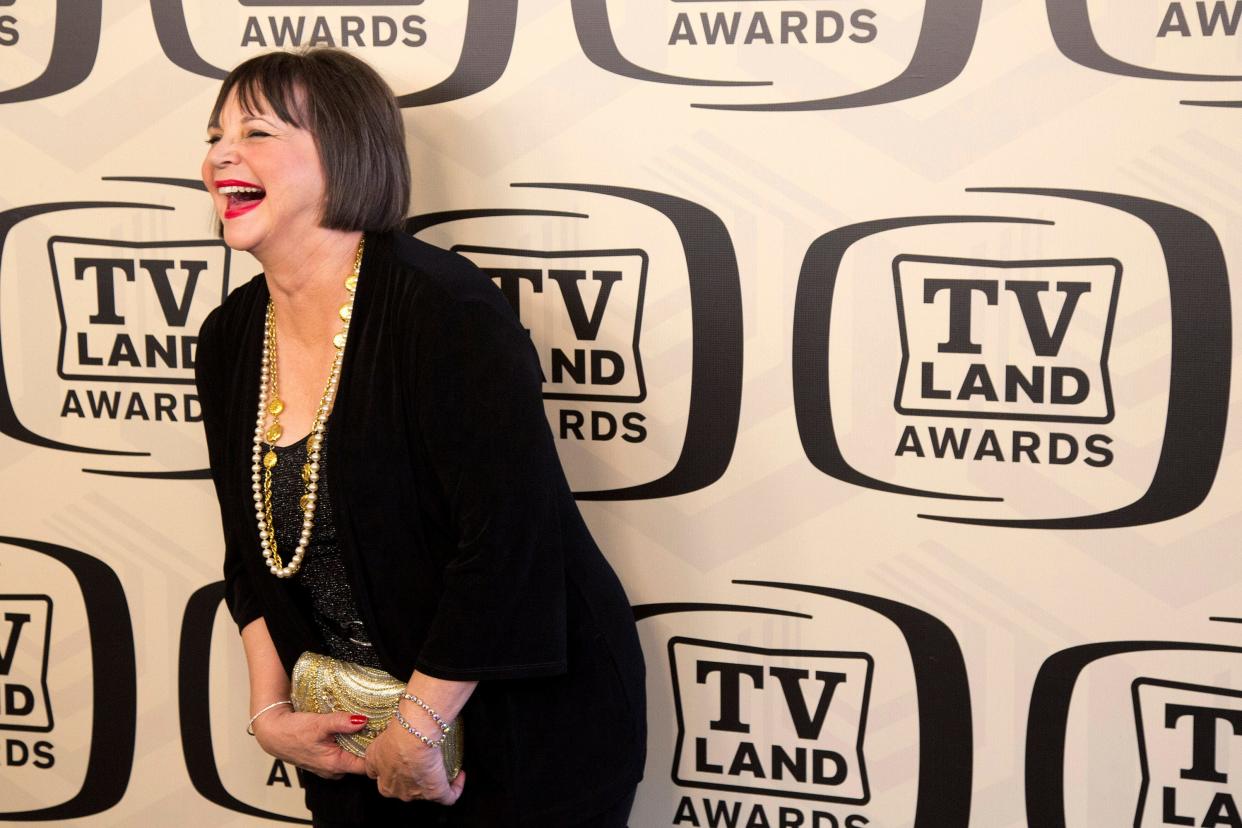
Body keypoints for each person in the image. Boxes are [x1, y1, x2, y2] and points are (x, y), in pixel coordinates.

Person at [194, 48, 646, 827]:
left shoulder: (443, 310)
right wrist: (269, 712)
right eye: (215, 135)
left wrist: (418, 727)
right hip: (356, 736)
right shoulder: (229, 337)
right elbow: (251, 553)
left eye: (258, 132)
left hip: (525, 736)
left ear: (346, 154)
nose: (221, 155)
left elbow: (510, 545)